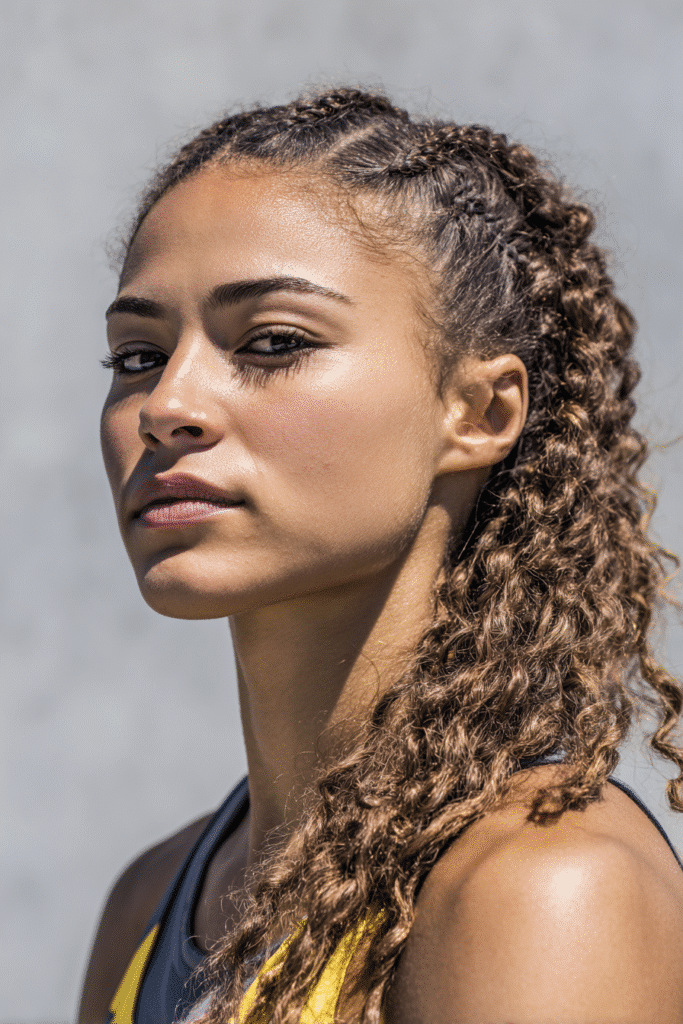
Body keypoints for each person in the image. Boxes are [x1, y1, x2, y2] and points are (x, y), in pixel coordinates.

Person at [77, 86, 683, 1024]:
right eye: (136, 356)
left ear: (479, 413)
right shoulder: (150, 910)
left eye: (272, 342)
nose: (166, 405)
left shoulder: (543, 891)